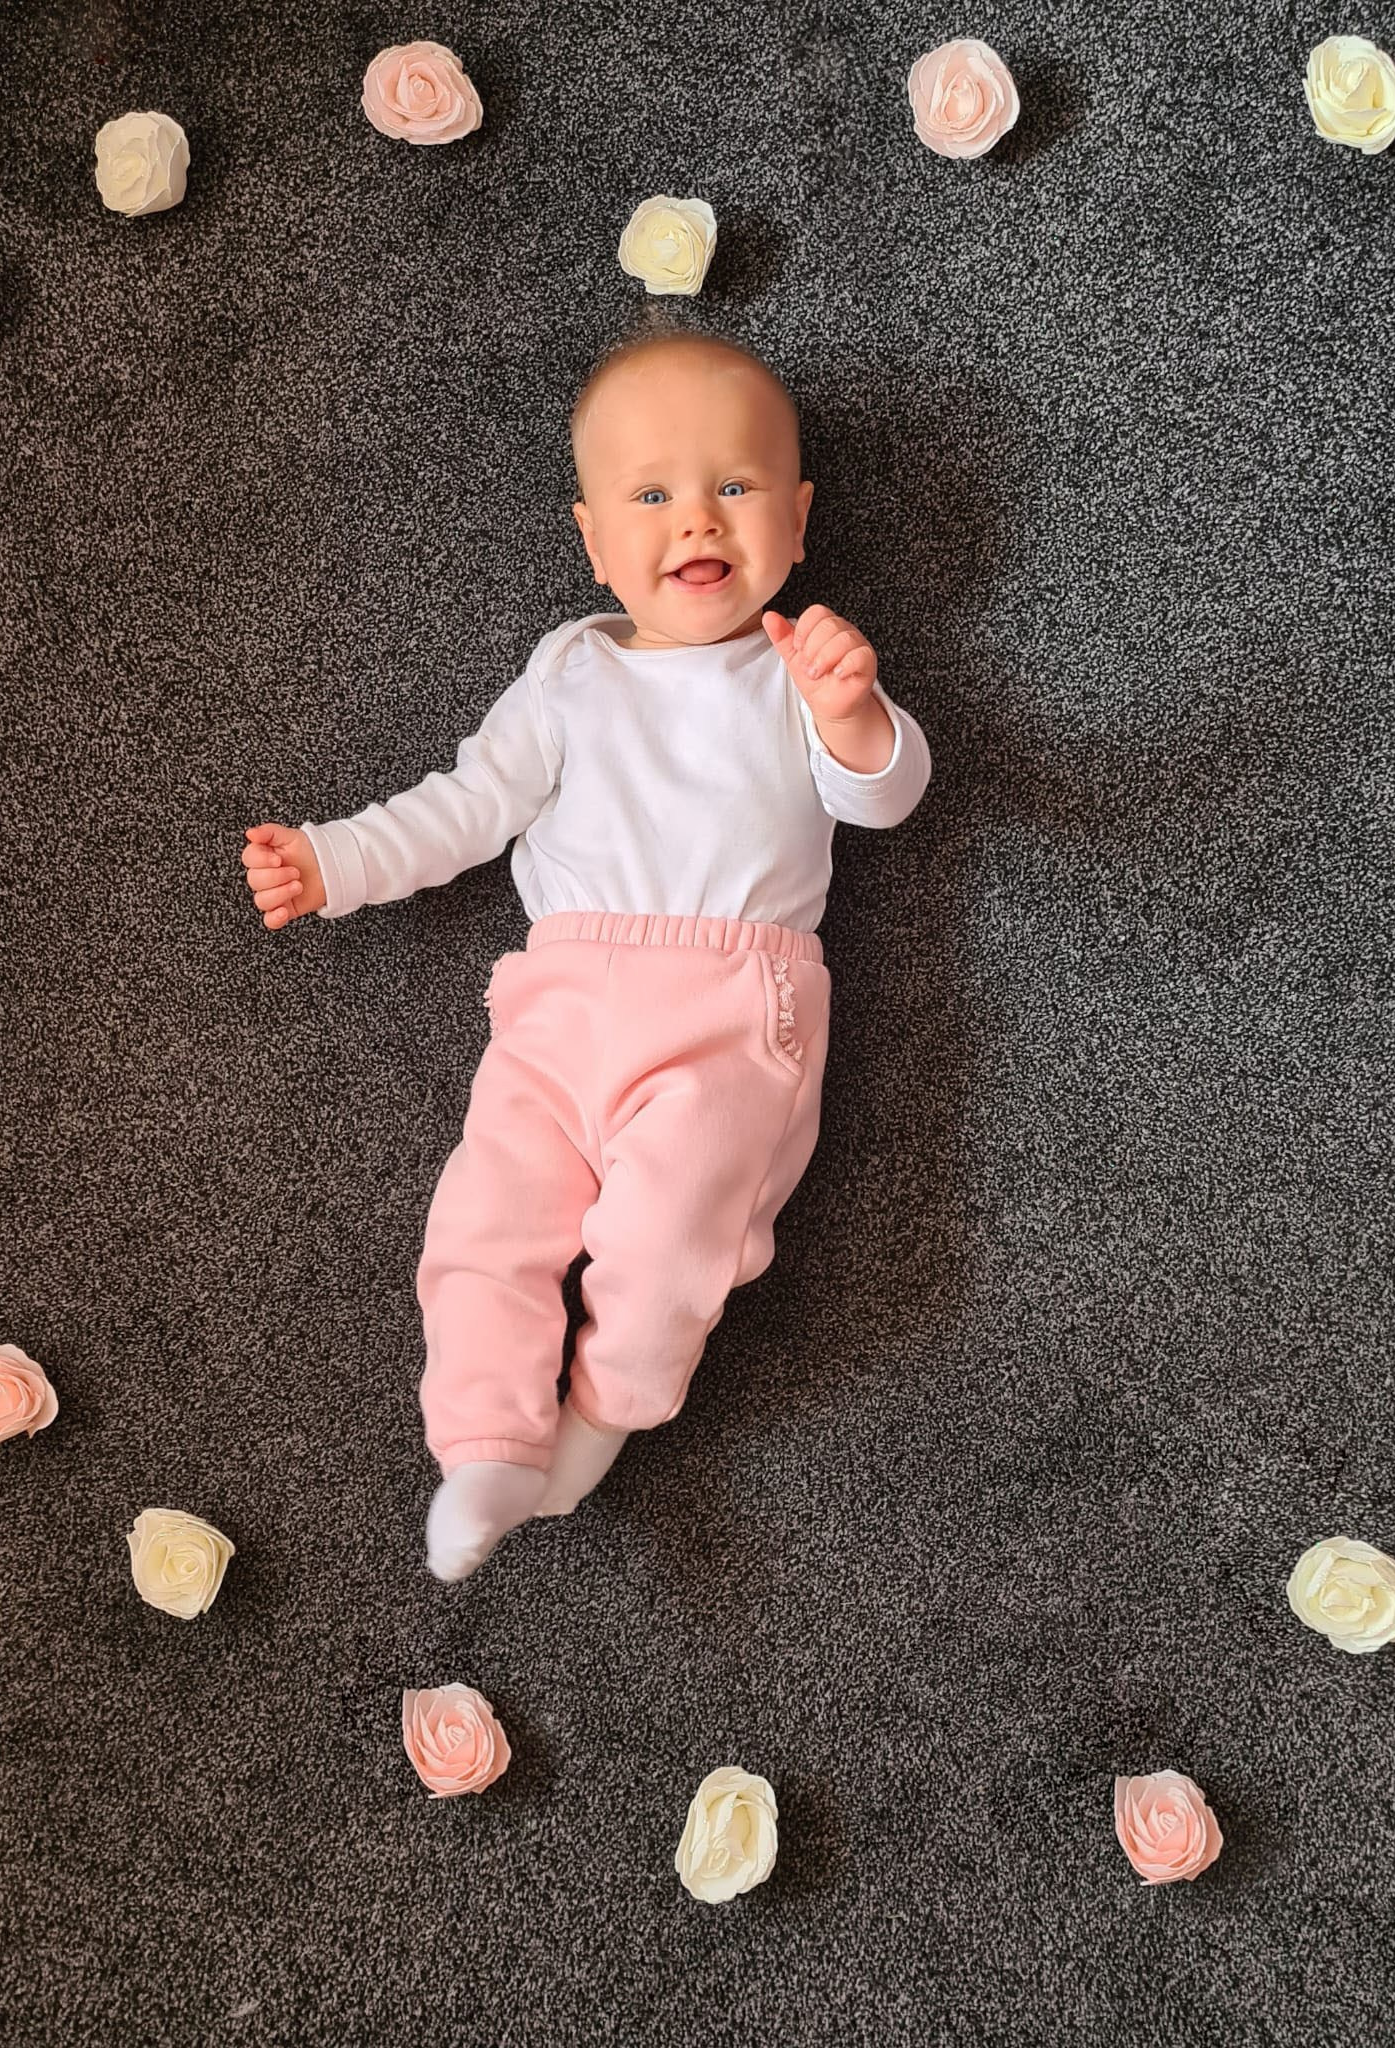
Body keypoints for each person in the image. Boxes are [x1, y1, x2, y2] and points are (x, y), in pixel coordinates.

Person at [240, 330, 932, 1580]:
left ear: (797, 516)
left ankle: (601, 1412)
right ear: (593, 542)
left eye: (734, 486)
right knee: (484, 1219)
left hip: (731, 1009)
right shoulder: (568, 671)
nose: (694, 520)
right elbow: (465, 803)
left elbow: (882, 796)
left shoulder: (793, 672)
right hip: (555, 1006)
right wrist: (336, 859)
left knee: (670, 1234)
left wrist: (854, 713)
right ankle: (487, 1440)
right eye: (651, 494)